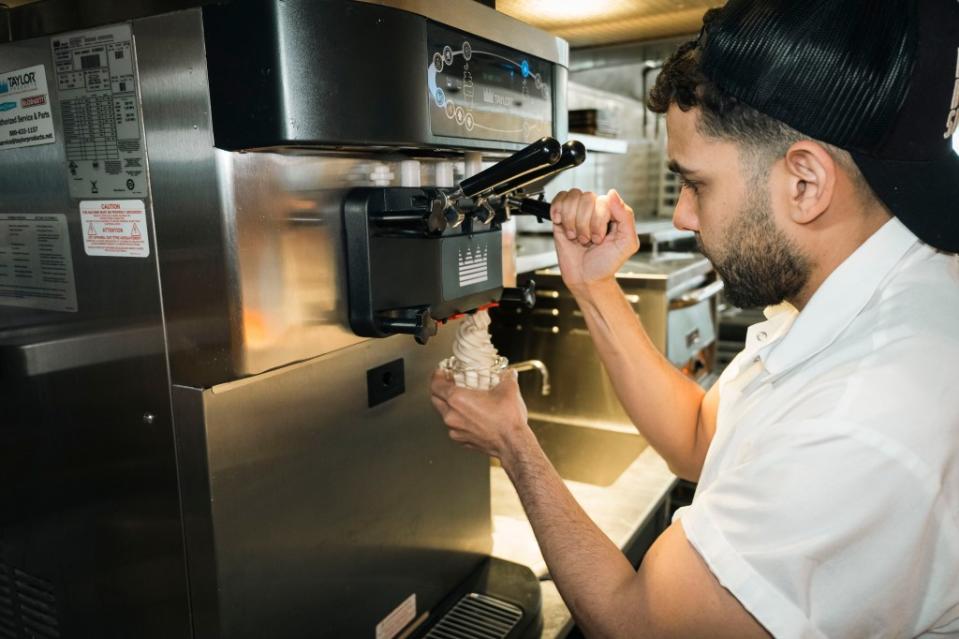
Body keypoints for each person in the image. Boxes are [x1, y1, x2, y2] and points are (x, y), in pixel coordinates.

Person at [430, 0, 959, 636]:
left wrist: (513, 443)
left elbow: (640, 623)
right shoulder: (858, 291)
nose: (681, 215)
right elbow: (701, 439)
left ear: (806, 183)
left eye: (697, 183)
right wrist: (595, 288)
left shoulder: (860, 416)